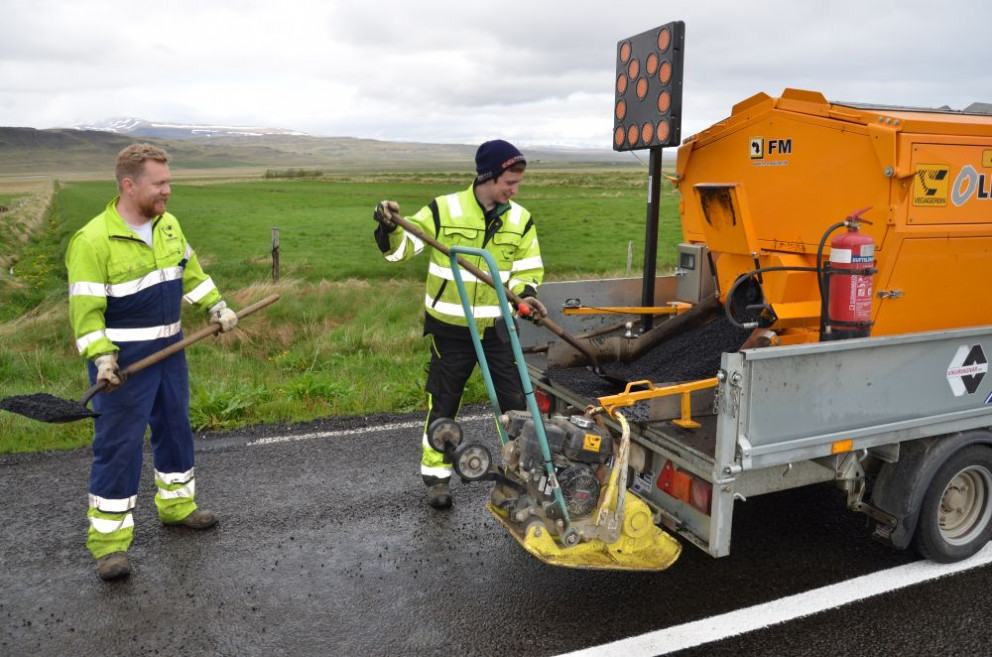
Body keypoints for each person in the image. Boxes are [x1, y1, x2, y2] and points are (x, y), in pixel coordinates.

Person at [65, 143, 239, 581]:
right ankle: (109, 544)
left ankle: (177, 505)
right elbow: (85, 314)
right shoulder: (92, 240)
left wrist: (216, 307)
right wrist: (101, 358)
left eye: (168, 181)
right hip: (123, 367)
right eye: (159, 183)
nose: (167, 190)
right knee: (118, 447)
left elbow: (192, 273)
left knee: (175, 429)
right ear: (129, 184)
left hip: (171, 351)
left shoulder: (169, 226)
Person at [373, 139, 547, 509]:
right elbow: (399, 250)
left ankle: (517, 477)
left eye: (518, 184)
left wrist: (525, 293)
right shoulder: (443, 209)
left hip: (497, 330)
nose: (515, 191)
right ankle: (437, 480)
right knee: (444, 403)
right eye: (509, 183)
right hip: (450, 330)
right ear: (487, 176)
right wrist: (388, 226)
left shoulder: (520, 218)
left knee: (515, 406)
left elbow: (529, 267)